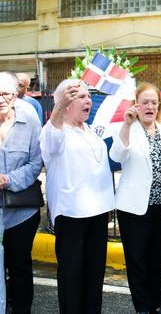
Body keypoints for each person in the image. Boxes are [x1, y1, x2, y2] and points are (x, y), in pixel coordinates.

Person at [40, 79, 116, 314]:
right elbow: (51, 143)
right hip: (71, 215)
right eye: (79, 96)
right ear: (64, 103)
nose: (87, 100)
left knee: (94, 275)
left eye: (88, 96)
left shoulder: (89, 130)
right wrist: (59, 107)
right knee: (72, 277)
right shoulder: (54, 131)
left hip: (98, 214)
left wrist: (109, 203)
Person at [109, 83, 161, 314]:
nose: (150, 106)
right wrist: (127, 125)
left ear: (159, 105)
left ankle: (156, 304)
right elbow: (118, 155)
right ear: (136, 104)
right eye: (145, 102)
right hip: (133, 208)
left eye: (154, 102)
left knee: (158, 261)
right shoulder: (125, 127)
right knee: (137, 261)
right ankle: (142, 308)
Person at [0, 72, 42, 314]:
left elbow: (36, 163)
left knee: (20, 267)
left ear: (16, 95)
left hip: (21, 211)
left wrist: (7, 180)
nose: (1, 99)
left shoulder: (29, 117)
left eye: (6, 93)